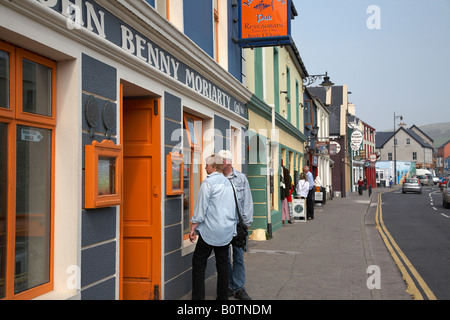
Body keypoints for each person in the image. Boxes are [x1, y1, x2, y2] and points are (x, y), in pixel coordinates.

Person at [190, 154, 237, 300]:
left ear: (214, 167)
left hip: (210, 230)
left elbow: (201, 208)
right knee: (222, 266)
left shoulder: (208, 183)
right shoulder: (228, 183)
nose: (205, 167)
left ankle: (198, 299)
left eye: (207, 165)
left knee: (198, 263)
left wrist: (193, 226)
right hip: (226, 230)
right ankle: (222, 298)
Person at [218, 149, 253, 300]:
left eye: (222, 162)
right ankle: (228, 286)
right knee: (224, 257)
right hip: (222, 224)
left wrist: (246, 221)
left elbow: (247, 200)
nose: (219, 165)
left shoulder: (241, 178)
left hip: (238, 224)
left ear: (228, 162)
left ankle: (239, 287)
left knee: (238, 257)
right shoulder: (216, 178)